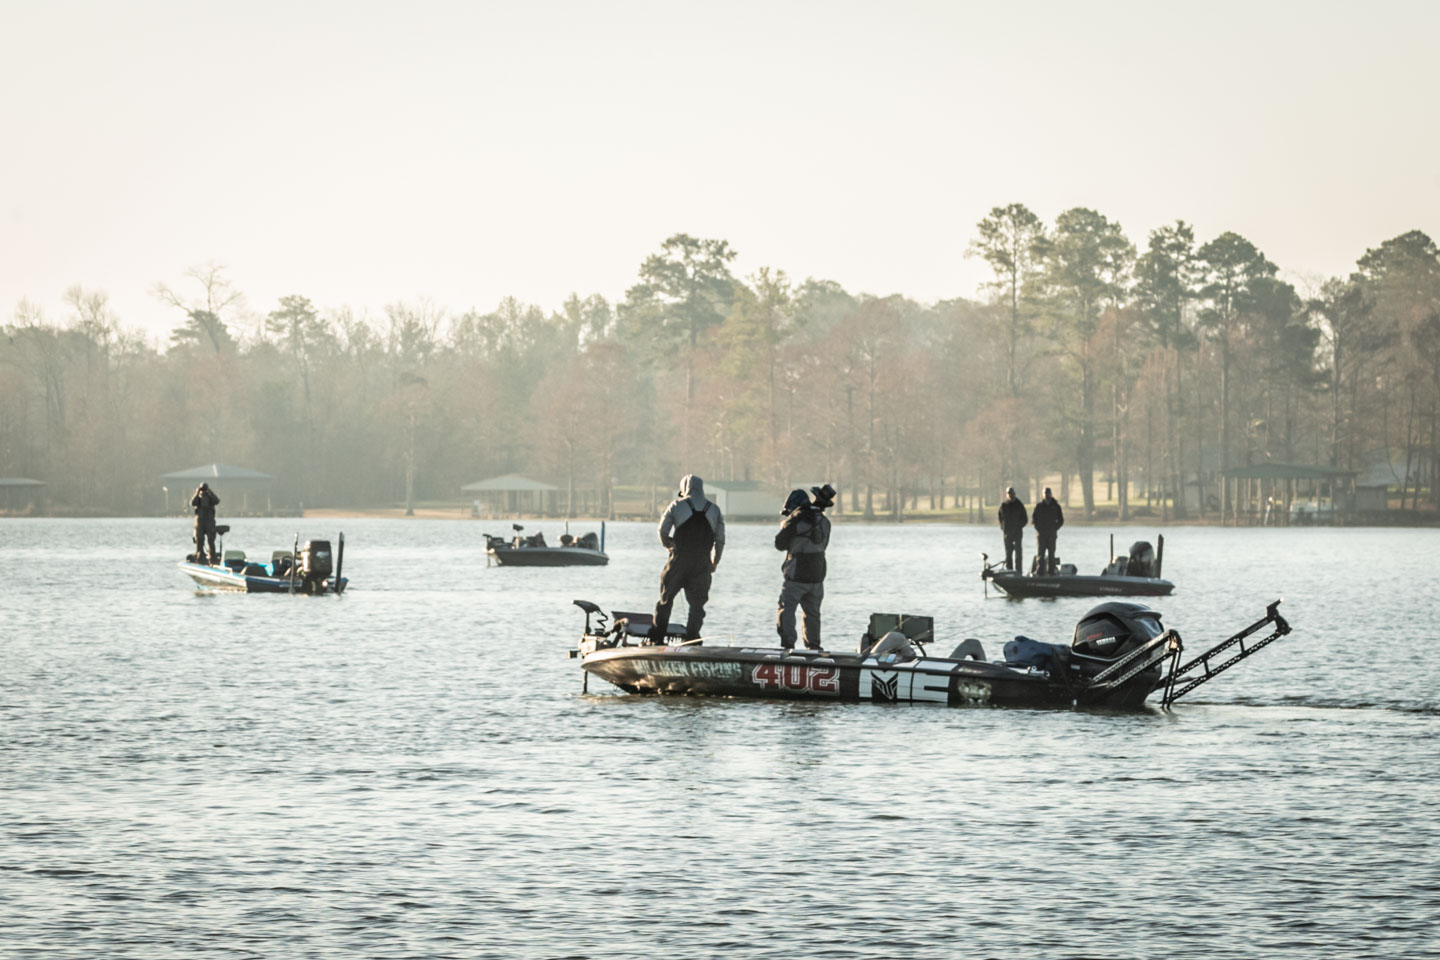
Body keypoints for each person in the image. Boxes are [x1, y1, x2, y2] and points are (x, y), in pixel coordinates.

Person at [651, 474, 725, 641]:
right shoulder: (715, 509)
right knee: (697, 605)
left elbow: (662, 531)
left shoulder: (676, 505)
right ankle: (692, 639)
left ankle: (657, 638)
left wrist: (668, 545)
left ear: (684, 489)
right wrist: (715, 561)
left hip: (679, 560)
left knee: (666, 599)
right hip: (702, 562)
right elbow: (720, 540)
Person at [775, 484, 834, 651]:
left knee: (786, 609)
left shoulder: (794, 521)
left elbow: (780, 544)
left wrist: (785, 526)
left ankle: (788, 646)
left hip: (796, 576)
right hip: (817, 576)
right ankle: (814, 647)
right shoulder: (824, 522)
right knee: (812, 614)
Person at [1032, 486, 1064, 574]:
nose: (1046, 495)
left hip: (1051, 534)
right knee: (1040, 553)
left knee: (1051, 554)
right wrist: (1038, 529)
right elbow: (1034, 520)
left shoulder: (1056, 506)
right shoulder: (1039, 506)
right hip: (1041, 534)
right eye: (1045, 493)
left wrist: (1054, 528)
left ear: (1051, 494)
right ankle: (1039, 571)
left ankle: (1051, 571)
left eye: (1048, 493)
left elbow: (1061, 520)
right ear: (1042, 495)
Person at [997, 486, 1027, 573]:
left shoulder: (1019, 505)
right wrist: (1003, 527)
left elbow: (1025, 519)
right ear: (1007, 495)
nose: (1011, 496)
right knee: (1008, 554)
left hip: (1017, 533)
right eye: (1009, 494)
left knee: (1018, 554)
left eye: (1012, 494)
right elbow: (1000, 517)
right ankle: (1009, 571)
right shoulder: (1004, 505)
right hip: (1007, 533)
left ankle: (1018, 571)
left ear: (1015, 494)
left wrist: (1018, 526)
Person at [191, 482, 220, 563]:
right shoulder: (198, 498)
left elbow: (217, 501)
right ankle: (200, 556)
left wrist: (210, 492)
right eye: (202, 489)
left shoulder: (210, 497)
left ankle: (212, 557)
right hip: (199, 522)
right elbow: (192, 503)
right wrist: (197, 493)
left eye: (204, 489)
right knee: (199, 540)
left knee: (211, 540)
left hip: (209, 522)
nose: (203, 491)